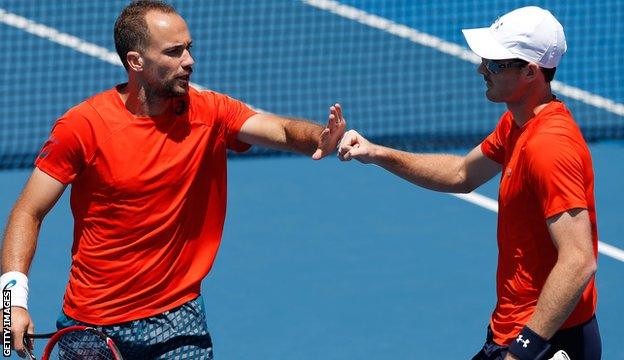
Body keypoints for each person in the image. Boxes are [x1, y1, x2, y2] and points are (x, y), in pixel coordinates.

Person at [0, 1, 345, 358]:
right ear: (136, 61)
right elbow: (28, 211)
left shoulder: (210, 112)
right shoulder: (82, 127)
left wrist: (319, 137)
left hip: (179, 317)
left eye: (189, 48)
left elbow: (282, 130)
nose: (189, 61)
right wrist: (11, 302)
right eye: (174, 52)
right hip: (94, 322)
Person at [338, 6, 600, 360]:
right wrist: (377, 152)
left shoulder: (549, 146)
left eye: (493, 63)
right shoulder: (516, 126)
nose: (481, 69)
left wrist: (525, 349)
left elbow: (579, 260)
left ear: (530, 71)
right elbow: (462, 174)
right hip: (513, 330)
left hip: (546, 341)